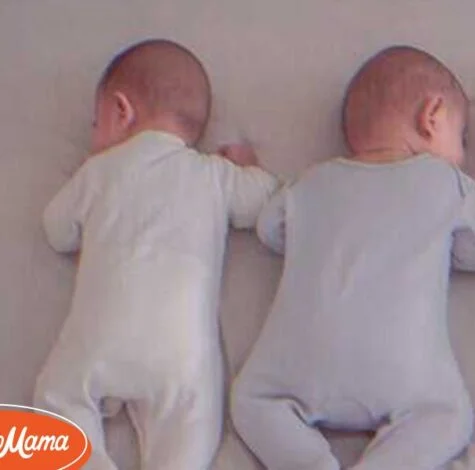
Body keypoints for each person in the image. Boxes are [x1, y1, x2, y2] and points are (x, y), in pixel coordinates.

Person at [231, 45, 475, 470]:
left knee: (251, 400)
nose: (463, 153)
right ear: (433, 116)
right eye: (461, 136)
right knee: (448, 418)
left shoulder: (310, 181)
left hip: (296, 366)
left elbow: (269, 230)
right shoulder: (446, 181)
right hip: (402, 373)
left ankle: (309, 463)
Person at [34, 39, 278, 469]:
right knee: (191, 424)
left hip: (98, 342)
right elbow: (264, 202)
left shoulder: (99, 171)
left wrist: (88, 172)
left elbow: (57, 230)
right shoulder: (214, 175)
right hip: (179, 356)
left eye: (95, 123)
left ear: (120, 111)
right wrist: (249, 167)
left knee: (57, 400)